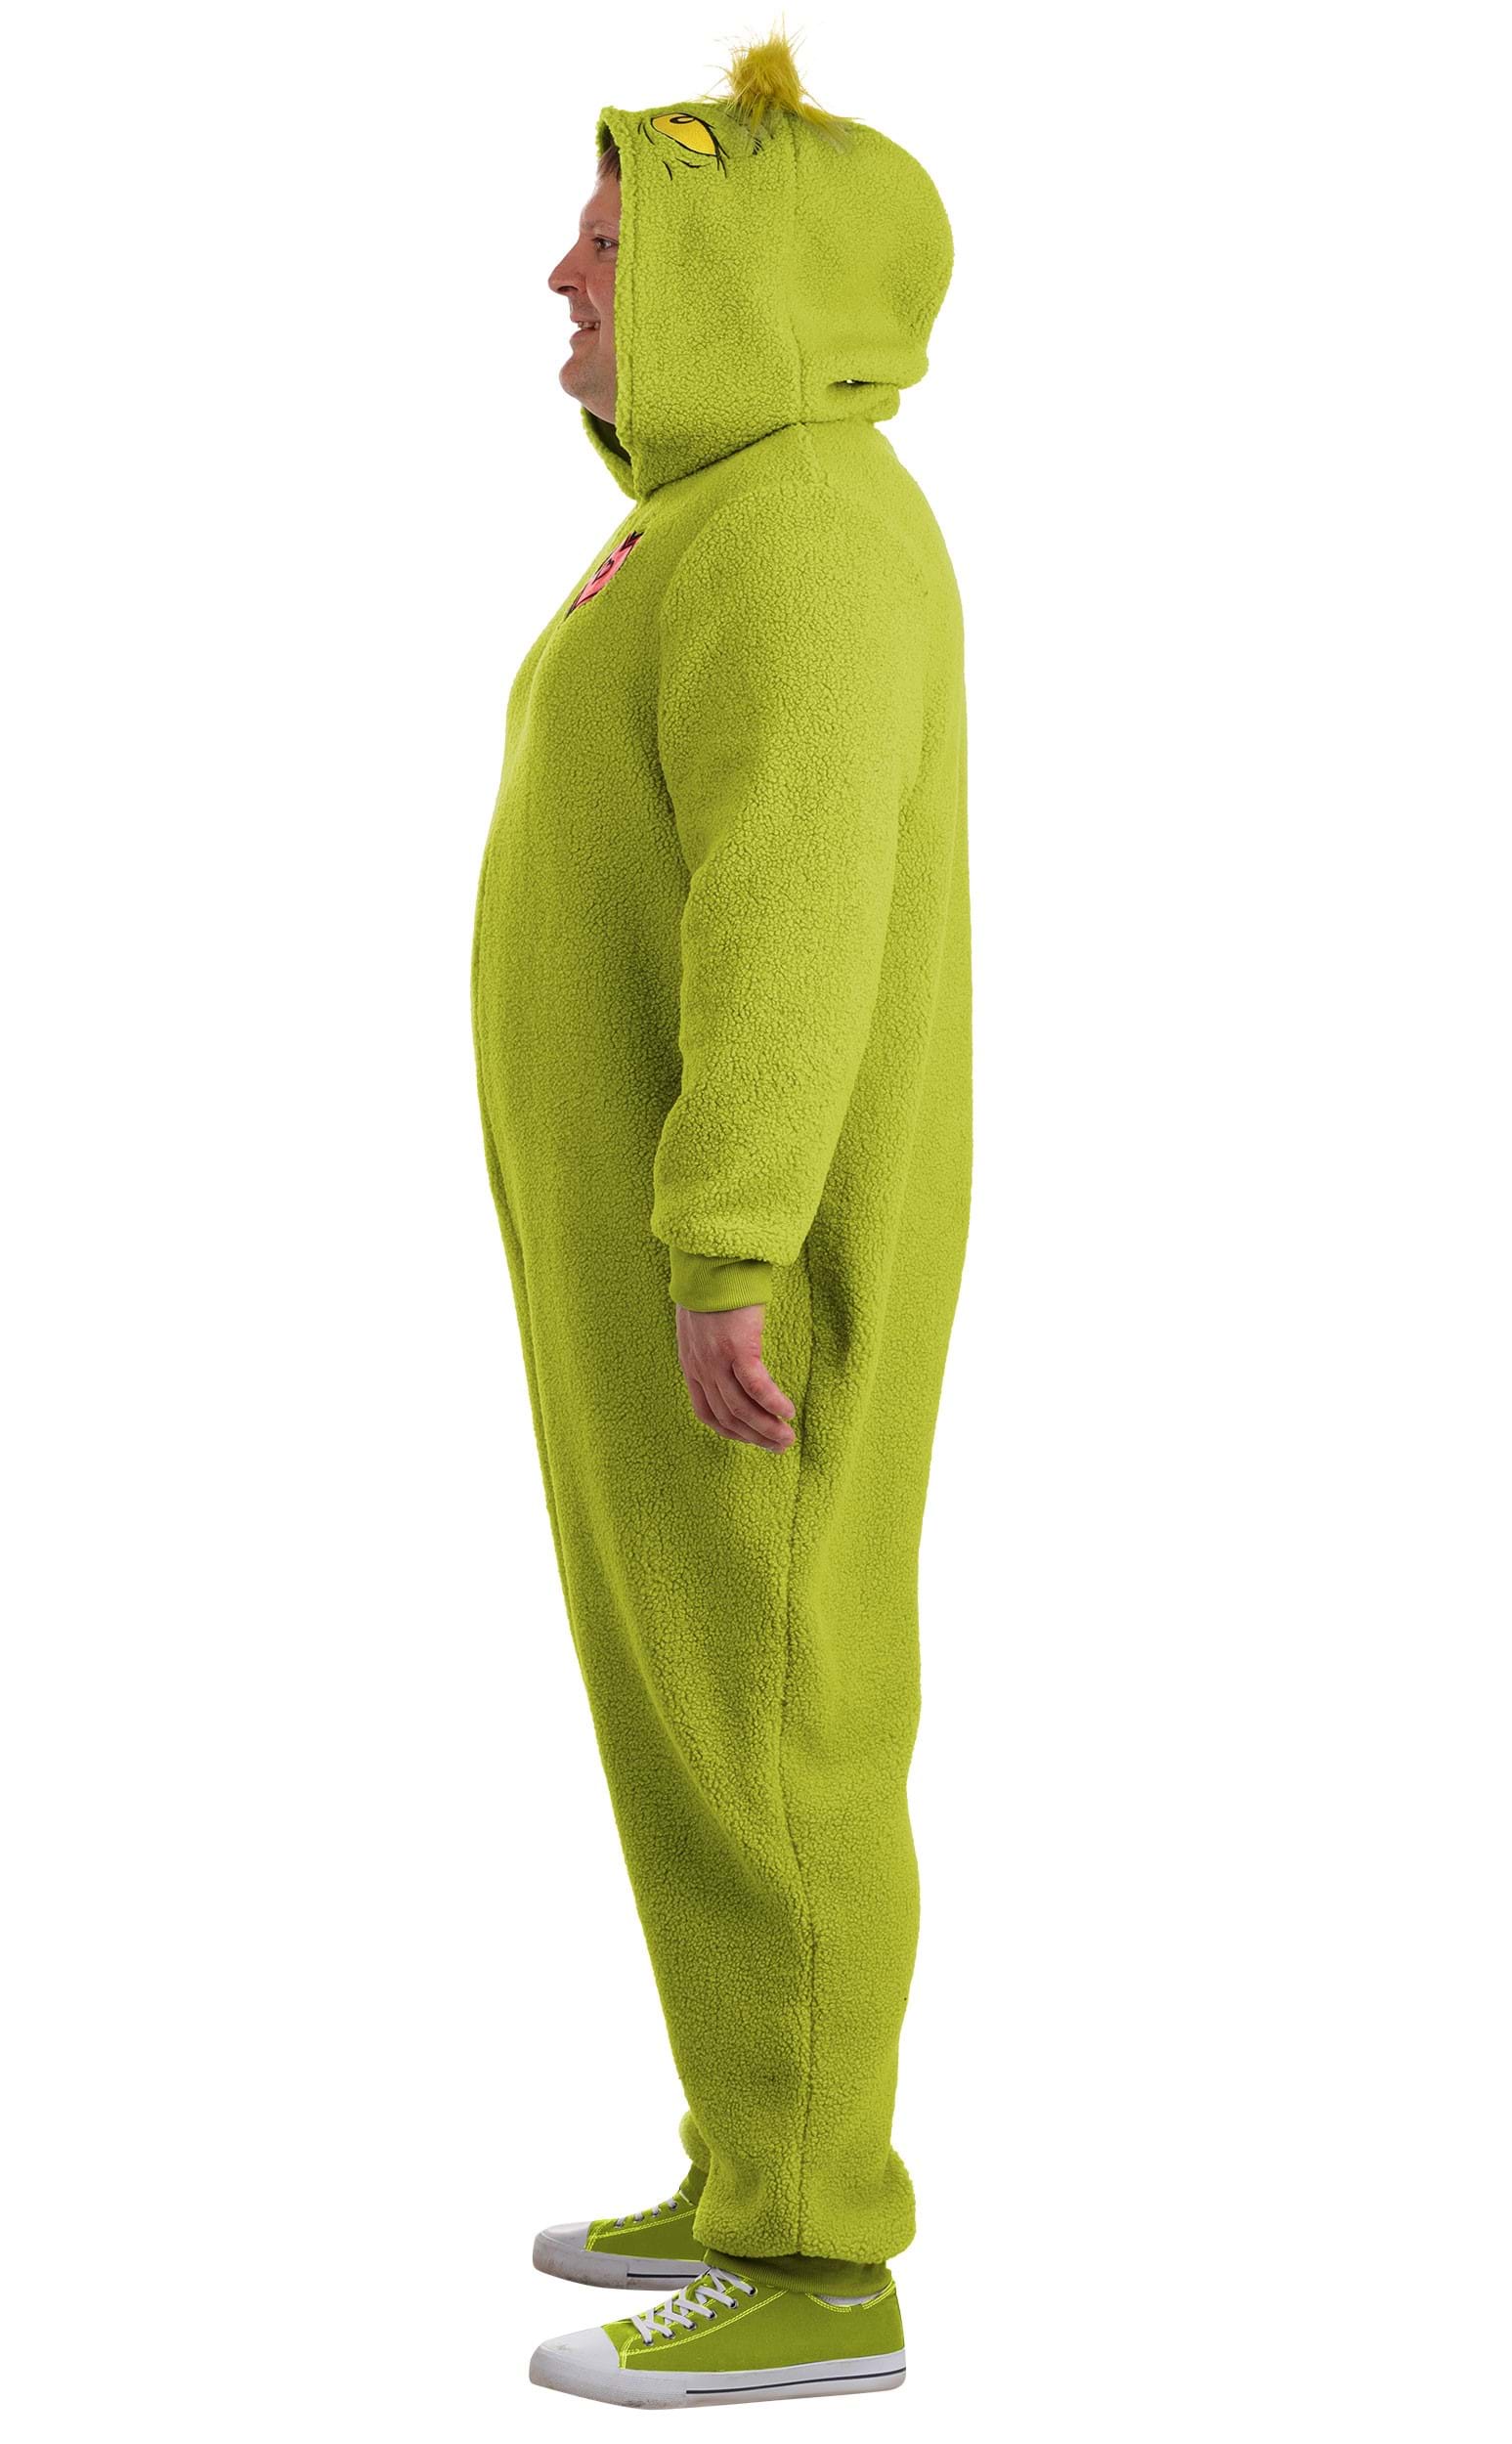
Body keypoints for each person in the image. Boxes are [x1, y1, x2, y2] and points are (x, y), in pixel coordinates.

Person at [469, 27, 972, 2411]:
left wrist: (727, 1241)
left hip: (735, 1276)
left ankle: (814, 2256)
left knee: (770, 1712)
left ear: (742, 282)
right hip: (663, 1246)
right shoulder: (720, 516)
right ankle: (751, 2149)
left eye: (615, 238)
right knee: (699, 1699)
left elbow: (789, 913)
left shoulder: (797, 533)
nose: (565, 273)